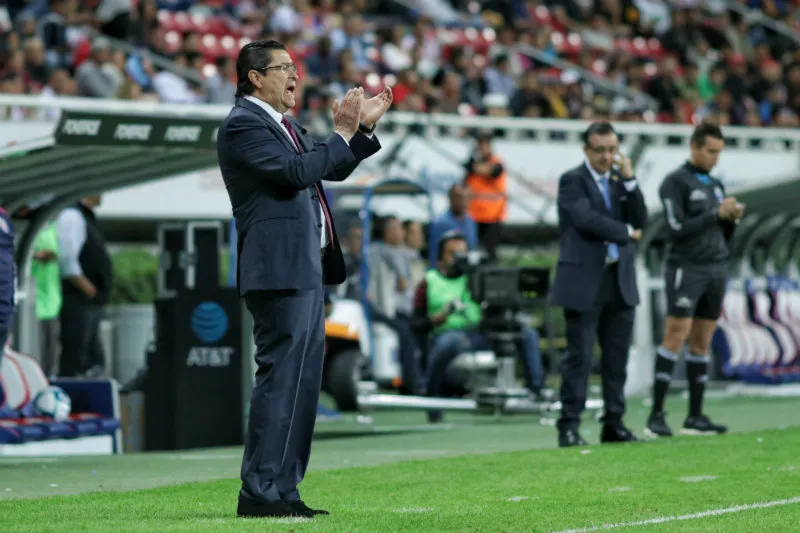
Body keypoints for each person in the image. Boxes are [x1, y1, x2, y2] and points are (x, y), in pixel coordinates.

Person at [217, 39, 392, 519]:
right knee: (281, 378)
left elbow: (326, 166)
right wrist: (340, 129)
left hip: (305, 268)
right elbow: (297, 172)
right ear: (255, 76)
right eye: (284, 68)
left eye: (296, 67)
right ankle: (258, 491)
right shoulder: (242, 125)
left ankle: (284, 487)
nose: (295, 76)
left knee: (303, 382)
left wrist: (362, 128)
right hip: (277, 269)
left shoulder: (284, 125)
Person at [549, 121, 648, 448]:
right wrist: (625, 233)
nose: (607, 157)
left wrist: (631, 179)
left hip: (618, 278)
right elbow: (585, 220)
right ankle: (569, 426)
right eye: (600, 151)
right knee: (579, 359)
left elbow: (642, 218)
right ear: (586, 150)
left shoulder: (621, 181)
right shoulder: (572, 181)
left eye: (612, 150)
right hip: (584, 281)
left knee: (616, 358)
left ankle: (614, 423)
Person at [646, 123, 742, 439]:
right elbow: (675, 228)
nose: (716, 158)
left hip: (716, 268)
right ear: (694, 147)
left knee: (702, 341)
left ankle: (695, 416)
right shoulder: (675, 182)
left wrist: (730, 219)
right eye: (711, 151)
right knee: (676, 335)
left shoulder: (715, 184)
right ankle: (656, 416)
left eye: (719, 152)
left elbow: (722, 233)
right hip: (686, 268)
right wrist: (716, 214)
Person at [413, 231, 545, 423]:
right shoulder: (429, 281)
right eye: (453, 254)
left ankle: (536, 392)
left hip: (481, 334)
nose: (459, 259)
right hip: (450, 335)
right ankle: (432, 396)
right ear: (441, 257)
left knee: (527, 334)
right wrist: (436, 319)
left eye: (463, 253)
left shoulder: (479, 277)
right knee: (450, 341)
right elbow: (415, 324)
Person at [55, 194, 112, 378]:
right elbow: (67, 261)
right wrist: (90, 290)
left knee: (92, 358)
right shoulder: (72, 215)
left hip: (90, 301)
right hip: (78, 299)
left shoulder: (87, 217)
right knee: (77, 357)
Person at [464, 132, 507, 261]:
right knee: (472, 252)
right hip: (474, 216)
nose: (481, 149)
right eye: (479, 146)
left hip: (493, 216)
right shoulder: (472, 165)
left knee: (490, 252)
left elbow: (492, 171)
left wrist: (475, 167)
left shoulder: (497, 163)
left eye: (484, 145)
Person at [428, 183, 478, 266]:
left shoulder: (471, 221)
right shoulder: (440, 223)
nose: (463, 202)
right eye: (459, 197)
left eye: (467, 198)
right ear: (450, 198)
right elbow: (434, 254)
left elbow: (473, 248)